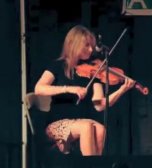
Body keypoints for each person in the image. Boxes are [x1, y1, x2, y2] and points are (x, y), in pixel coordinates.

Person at [34, 25, 135, 156]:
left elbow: (99, 105)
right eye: (86, 45)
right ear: (73, 44)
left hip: (81, 121)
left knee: (101, 129)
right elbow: (39, 88)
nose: (91, 49)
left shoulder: (93, 71)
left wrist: (122, 89)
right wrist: (69, 89)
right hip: (57, 122)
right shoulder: (58, 65)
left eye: (92, 45)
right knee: (86, 126)